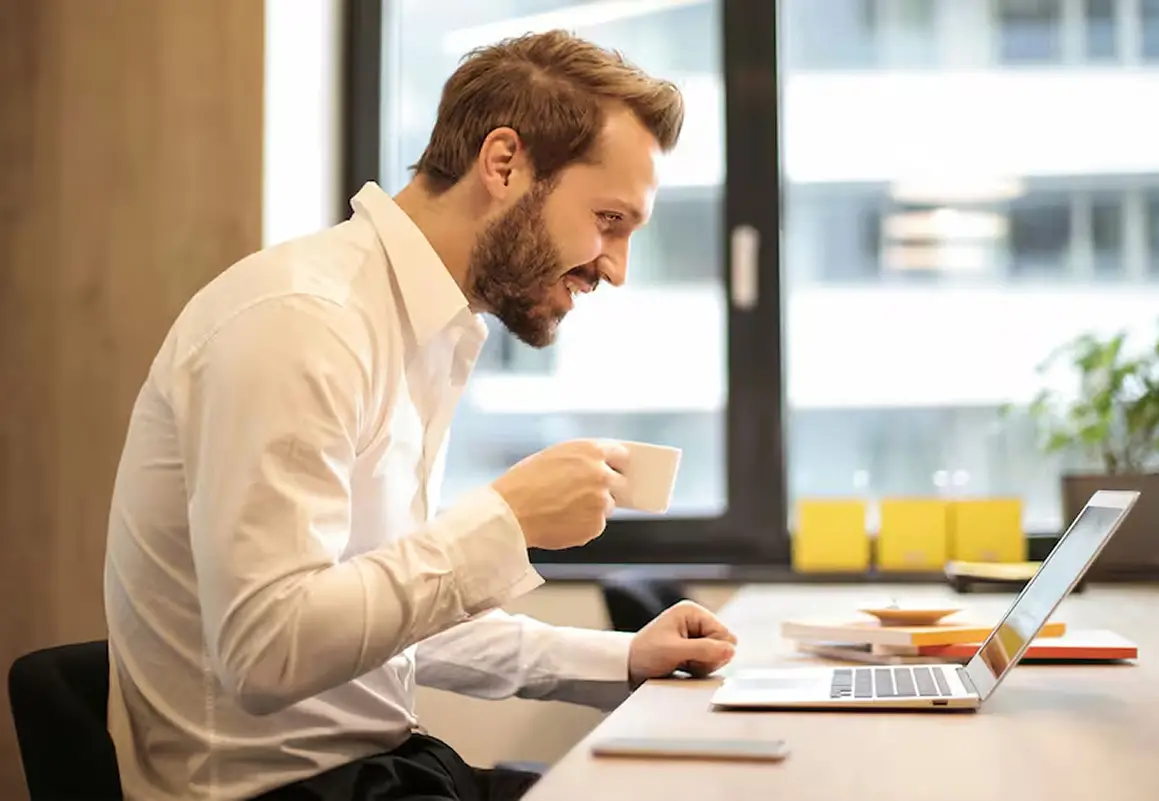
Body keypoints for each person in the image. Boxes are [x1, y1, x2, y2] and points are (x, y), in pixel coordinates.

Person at [103, 28, 738, 801]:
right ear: (504, 165)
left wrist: (621, 658)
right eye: (608, 220)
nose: (616, 267)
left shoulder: (425, 328)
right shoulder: (304, 321)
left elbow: (383, 620)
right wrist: (502, 521)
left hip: (379, 773)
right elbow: (267, 651)